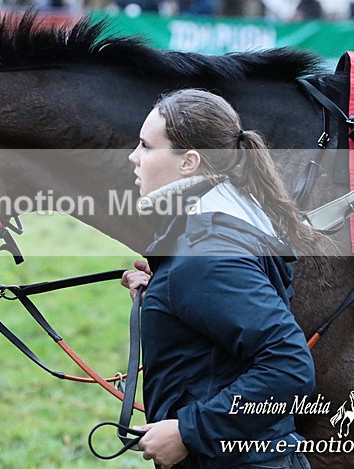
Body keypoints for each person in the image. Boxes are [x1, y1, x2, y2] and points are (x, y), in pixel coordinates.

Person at [121, 89, 316, 468]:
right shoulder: (221, 226)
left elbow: (289, 366)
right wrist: (162, 293)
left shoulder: (206, 255)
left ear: (189, 162)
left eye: (146, 146)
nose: (134, 156)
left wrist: (187, 431)